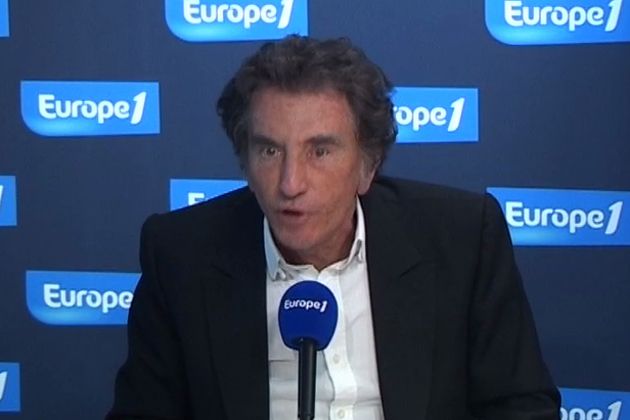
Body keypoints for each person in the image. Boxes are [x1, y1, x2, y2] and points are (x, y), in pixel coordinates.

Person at [107, 35, 560, 419]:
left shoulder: (461, 238)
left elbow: (522, 408)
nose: (291, 183)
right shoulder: (181, 257)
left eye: (320, 152)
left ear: (367, 166)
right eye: (269, 151)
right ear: (245, 162)